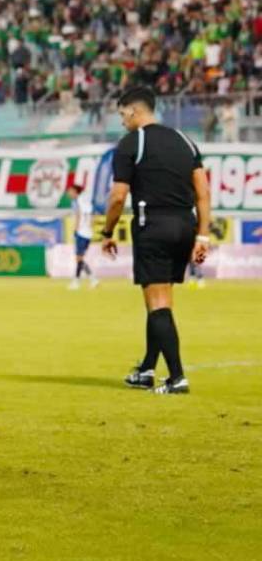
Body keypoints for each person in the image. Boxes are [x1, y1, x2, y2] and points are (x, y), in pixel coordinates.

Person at [101, 86, 210, 395]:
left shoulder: (131, 143)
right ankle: (147, 369)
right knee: (160, 301)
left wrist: (107, 232)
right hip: (185, 225)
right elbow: (203, 192)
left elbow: (118, 197)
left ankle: (177, 378)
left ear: (134, 111)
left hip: (154, 225)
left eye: (122, 114)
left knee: (158, 302)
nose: (122, 121)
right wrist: (203, 235)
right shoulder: (185, 141)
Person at [65, 183, 99, 290]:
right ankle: (92, 278)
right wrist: (90, 226)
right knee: (80, 258)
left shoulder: (77, 201)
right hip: (88, 233)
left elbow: (78, 215)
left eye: (70, 191)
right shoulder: (86, 200)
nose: (68, 193)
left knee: (79, 258)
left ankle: (77, 281)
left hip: (81, 232)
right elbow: (93, 214)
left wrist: (76, 229)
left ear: (75, 192)